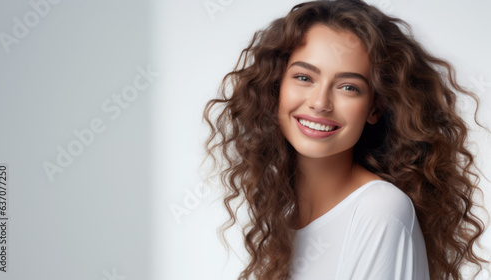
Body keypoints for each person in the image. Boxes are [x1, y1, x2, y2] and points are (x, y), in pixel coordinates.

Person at [202, 0, 488, 279]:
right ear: (276, 87)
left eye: (348, 87)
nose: (320, 103)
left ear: (375, 108)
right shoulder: (287, 220)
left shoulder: (380, 212)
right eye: (304, 78)